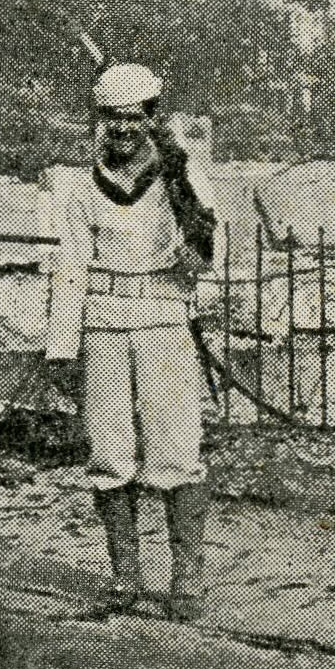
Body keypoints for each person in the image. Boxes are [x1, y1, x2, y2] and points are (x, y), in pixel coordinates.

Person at [43, 62, 220, 617]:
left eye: (132, 118)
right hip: (101, 326)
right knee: (110, 456)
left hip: (164, 321)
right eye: (110, 119)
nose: (120, 130)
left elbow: (209, 247)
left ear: (151, 118)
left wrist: (192, 233)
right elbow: (70, 267)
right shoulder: (80, 187)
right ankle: (125, 576)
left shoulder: (180, 178)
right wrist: (61, 347)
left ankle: (185, 576)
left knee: (175, 452)